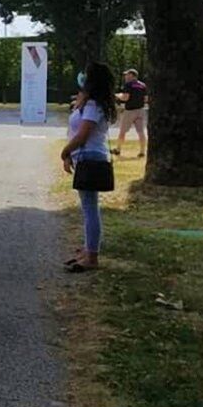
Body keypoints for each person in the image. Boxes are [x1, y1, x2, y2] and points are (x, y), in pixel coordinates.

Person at [62, 63, 117, 273]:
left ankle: (92, 255)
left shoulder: (94, 105)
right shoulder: (89, 103)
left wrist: (65, 151)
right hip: (85, 157)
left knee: (90, 209)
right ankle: (87, 249)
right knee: (88, 208)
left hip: (90, 158)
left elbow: (83, 134)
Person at [112, 68, 147, 158]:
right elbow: (146, 99)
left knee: (122, 131)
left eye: (127, 75)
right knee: (141, 132)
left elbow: (125, 98)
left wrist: (118, 95)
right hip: (141, 110)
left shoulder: (128, 85)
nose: (125, 77)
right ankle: (142, 151)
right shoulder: (143, 85)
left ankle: (118, 149)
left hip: (130, 111)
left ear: (132, 76)